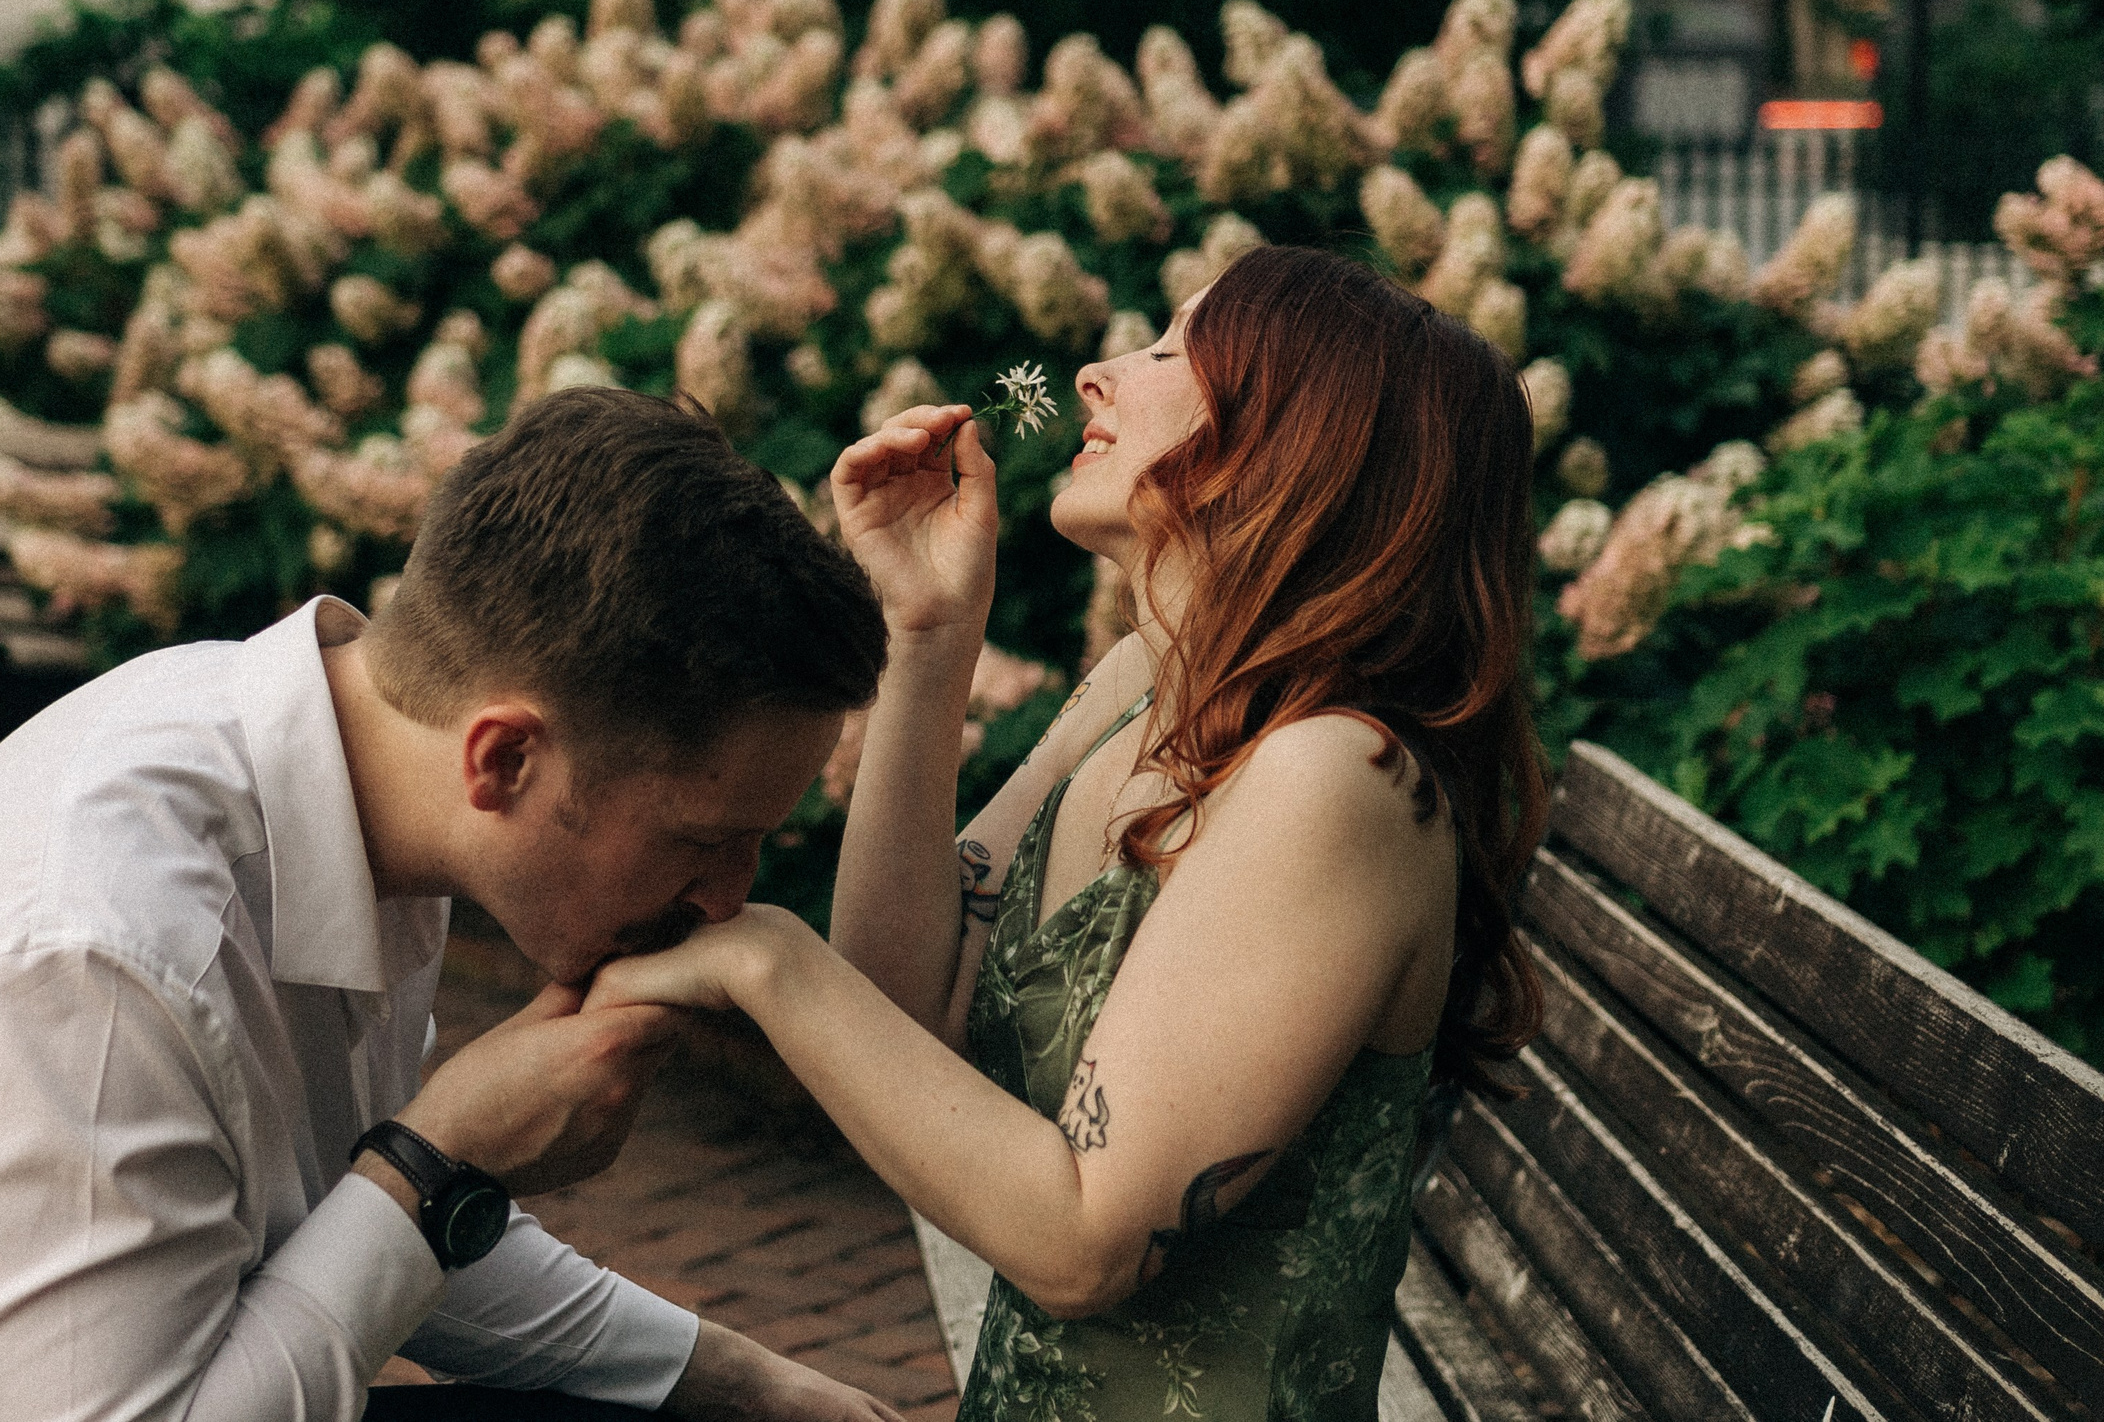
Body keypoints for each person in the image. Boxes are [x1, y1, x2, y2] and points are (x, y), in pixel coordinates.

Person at [0, 388, 906, 1422]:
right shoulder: (91, 964)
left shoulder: (346, 784)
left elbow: (343, 1237)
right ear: (504, 761)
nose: (729, 900)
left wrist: (751, 1386)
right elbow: (381, 1219)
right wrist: (435, 1160)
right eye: (705, 840)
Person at [584, 247, 1548, 1420]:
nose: (1094, 375)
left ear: (1299, 442)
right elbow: (908, 1001)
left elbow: (1086, 1242)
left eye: (1163, 353)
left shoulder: (1334, 777)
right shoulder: (1142, 685)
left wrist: (762, 955)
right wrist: (929, 634)